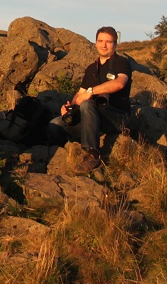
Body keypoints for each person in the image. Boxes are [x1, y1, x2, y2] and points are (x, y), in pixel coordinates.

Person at [48, 26, 133, 174]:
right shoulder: (92, 68)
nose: (104, 45)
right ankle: (69, 149)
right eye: (100, 41)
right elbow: (80, 93)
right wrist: (70, 108)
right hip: (93, 119)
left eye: (108, 41)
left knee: (87, 103)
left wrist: (92, 91)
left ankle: (93, 155)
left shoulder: (121, 62)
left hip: (117, 117)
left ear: (115, 43)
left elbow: (120, 83)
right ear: (95, 43)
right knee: (55, 124)